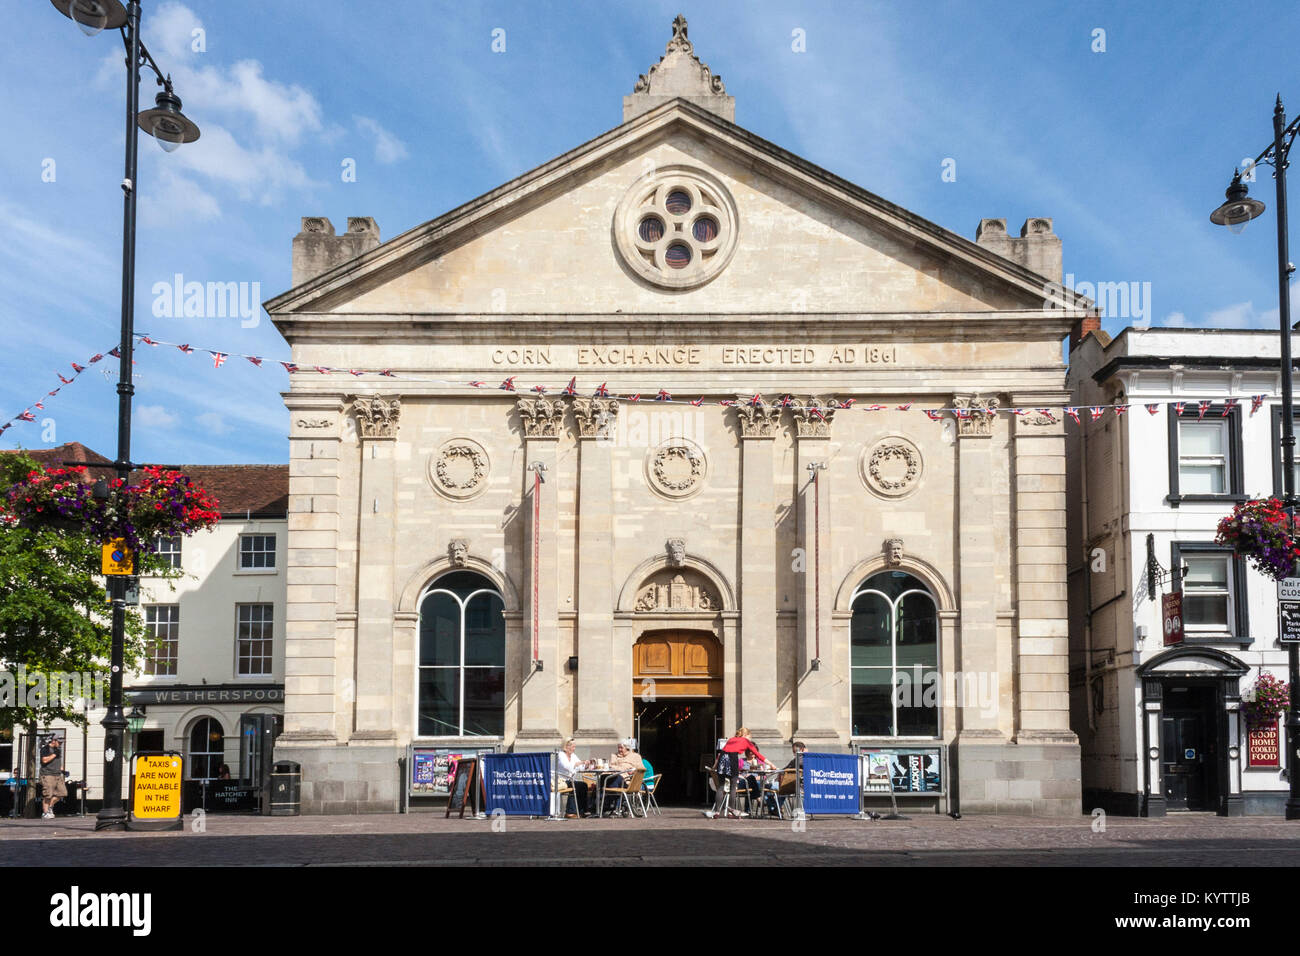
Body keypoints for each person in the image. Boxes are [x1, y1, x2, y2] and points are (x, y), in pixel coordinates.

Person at [705, 727, 768, 819]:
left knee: (721, 787)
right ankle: (731, 811)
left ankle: (717, 811)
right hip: (732, 758)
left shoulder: (731, 739)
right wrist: (771, 764)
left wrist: (714, 767)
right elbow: (758, 755)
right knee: (733, 786)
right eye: (750, 737)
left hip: (723, 757)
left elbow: (720, 755)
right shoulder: (745, 741)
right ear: (745, 735)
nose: (750, 739)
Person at [762, 740, 807, 817]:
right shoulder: (802, 759)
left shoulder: (800, 760)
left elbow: (784, 770)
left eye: (795, 751)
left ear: (802, 750)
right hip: (792, 784)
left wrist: (777, 771)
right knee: (772, 788)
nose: (794, 753)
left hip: (794, 785)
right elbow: (784, 769)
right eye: (793, 751)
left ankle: (774, 808)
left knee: (766, 787)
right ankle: (775, 808)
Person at [602, 739, 643, 816]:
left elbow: (641, 769)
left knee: (615, 779)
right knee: (603, 778)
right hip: (612, 776)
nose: (619, 750)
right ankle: (600, 806)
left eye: (621, 748)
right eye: (618, 748)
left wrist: (633, 771)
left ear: (627, 748)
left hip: (627, 781)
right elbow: (610, 766)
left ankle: (614, 806)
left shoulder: (635, 756)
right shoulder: (614, 755)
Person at [557, 738, 591, 818]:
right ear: (566, 746)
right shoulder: (560, 755)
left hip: (570, 780)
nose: (574, 749)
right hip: (561, 780)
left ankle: (581, 810)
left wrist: (585, 765)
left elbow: (580, 768)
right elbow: (567, 766)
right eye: (573, 747)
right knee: (576, 786)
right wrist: (579, 763)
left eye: (574, 747)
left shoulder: (573, 756)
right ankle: (570, 811)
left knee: (583, 785)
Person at [39, 736, 65, 820]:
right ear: (54, 741)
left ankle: (50, 807)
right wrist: (54, 755)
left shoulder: (58, 750)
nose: (61, 744)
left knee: (62, 793)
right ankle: (45, 813)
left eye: (62, 743)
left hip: (57, 774)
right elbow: (44, 760)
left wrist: (62, 769)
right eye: (59, 742)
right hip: (47, 774)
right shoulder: (45, 749)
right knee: (48, 794)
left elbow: (57, 762)